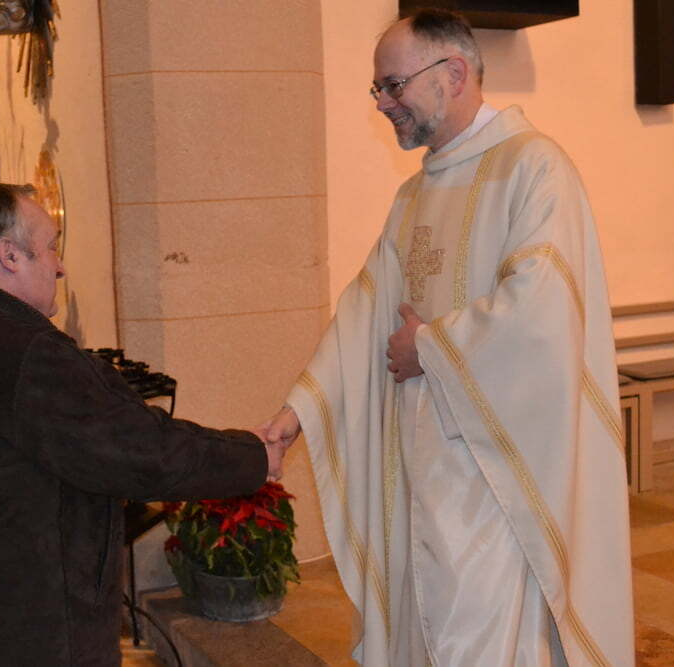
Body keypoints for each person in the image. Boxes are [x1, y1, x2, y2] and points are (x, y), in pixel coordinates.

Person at [263, 9, 634, 666]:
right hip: (422, 476)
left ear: (454, 73)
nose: (383, 103)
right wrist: (298, 411)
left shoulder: (535, 169)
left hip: (500, 483)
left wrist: (429, 347)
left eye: (393, 85)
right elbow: (365, 314)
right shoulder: (413, 197)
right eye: (377, 88)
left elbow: (542, 311)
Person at [0, 182, 285, 666]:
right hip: (29, 634)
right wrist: (253, 455)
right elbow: (138, 450)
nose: (60, 266)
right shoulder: (17, 351)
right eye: (51, 247)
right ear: (9, 255)